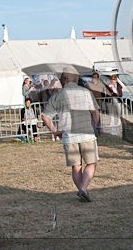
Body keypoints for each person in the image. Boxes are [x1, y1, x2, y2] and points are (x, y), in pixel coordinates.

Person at [41, 69, 100, 202]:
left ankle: (82, 190)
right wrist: (94, 126)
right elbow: (95, 113)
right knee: (91, 163)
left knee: (76, 166)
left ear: (65, 79)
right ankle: (84, 189)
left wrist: (54, 131)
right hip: (87, 133)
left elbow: (45, 116)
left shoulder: (58, 94)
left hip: (68, 135)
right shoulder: (86, 92)